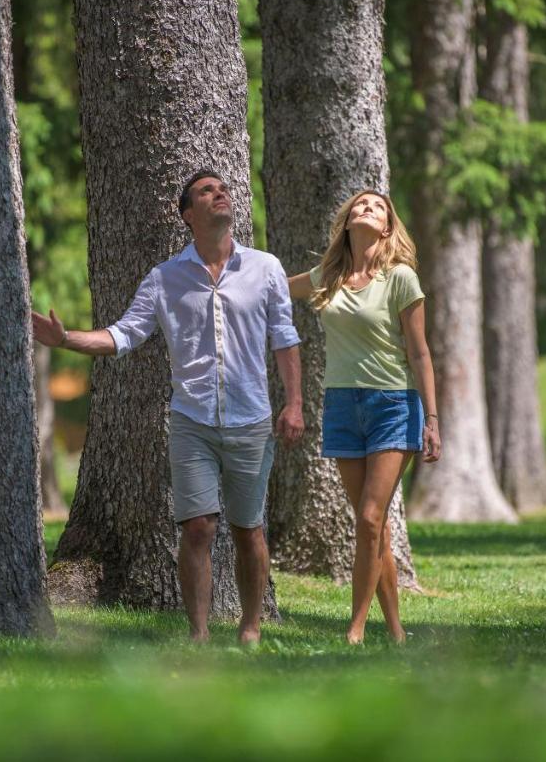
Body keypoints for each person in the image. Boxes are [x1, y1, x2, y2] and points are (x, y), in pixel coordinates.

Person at [32, 171, 304, 644]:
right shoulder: (165, 279)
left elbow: (285, 339)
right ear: (187, 214)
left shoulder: (266, 269)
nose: (219, 194)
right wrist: (66, 339)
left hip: (251, 419)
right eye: (206, 192)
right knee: (198, 528)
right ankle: (198, 634)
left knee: (249, 530)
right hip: (192, 420)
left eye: (222, 189)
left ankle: (251, 626)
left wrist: (294, 404)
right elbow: (123, 334)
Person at [287, 189, 440, 644]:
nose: (367, 208)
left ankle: (355, 628)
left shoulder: (400, 279)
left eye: (377, 207)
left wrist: (432, 419)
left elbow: (420, 352)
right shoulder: (327, 277)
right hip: (340, 406)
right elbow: (271, 284)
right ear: (348, 221)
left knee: (370, 519)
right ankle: (395, 632)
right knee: (374, 525)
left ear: (388, 227)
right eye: (360, 204)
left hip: (392, 404)